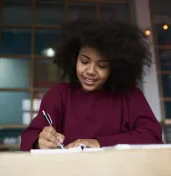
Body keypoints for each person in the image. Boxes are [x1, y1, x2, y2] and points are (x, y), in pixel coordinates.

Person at [20, 18, 163, 151]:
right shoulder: (59, 94)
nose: (91, 71)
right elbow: (27, 140)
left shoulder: (129, 95)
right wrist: (39, 142)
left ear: (114, 68)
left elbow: (153, 137)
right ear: (74, 59)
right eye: (84, 61)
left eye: (101, 66)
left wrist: (100, 144)